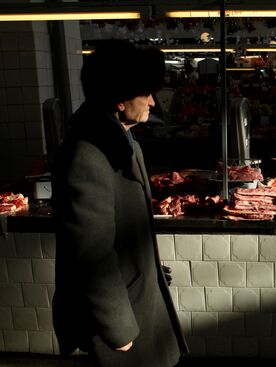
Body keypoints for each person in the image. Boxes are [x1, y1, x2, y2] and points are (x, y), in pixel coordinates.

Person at [51, 40, 188, 367]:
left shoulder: (123, 143)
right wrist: (118, 329)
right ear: (119, 98)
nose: (153, 101)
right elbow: (90, 251)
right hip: (120, 320)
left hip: (138, 300)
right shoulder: (87, 156)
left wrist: (150, 269)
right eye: (146, 93)